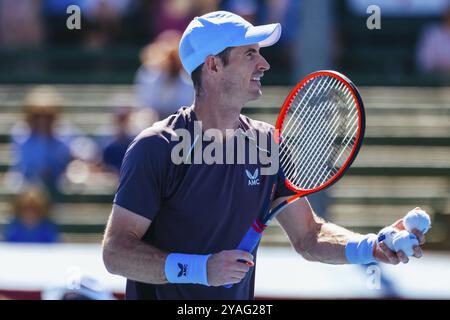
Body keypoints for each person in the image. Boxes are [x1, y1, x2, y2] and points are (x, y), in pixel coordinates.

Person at [102, 11, 426, 300]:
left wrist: (370, 246)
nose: (264, 64)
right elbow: (116, 252)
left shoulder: (269, 143)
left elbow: (310, 236)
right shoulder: (156, 147)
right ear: (213, 64)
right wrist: (199, 270)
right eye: (250, 54)